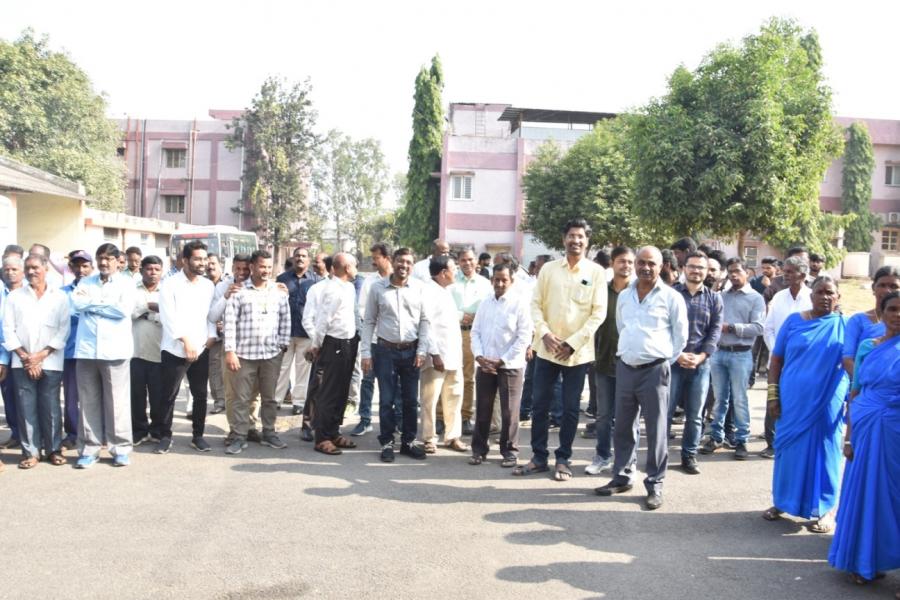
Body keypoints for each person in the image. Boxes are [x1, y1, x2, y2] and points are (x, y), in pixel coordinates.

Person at [513, 218, 606, 482]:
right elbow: (535, 305)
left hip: (577, 354)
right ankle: (539, 457)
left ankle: (563, 458)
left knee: (570, 409)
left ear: (587, 241)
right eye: (571, 236)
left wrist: (573, 343)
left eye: (580, 236)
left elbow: (598, 313)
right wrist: (544, 333)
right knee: (540, 405)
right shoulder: (549, 269)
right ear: (564, 239)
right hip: (547, 349)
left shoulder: (596, 272)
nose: (575, 240)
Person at [595, 246, 688, 510]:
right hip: (626, 367)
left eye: (651, 263)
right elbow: (622, 326)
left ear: (661, 267)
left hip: (655, 370)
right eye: (641, 263)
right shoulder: (625, 296)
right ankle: (622, 476)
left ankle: (655, 483)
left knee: (656, 430)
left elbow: (681, 336)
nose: (646, 268)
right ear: (635, 264)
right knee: (623, 426)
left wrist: (663, 361)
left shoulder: (671, 297)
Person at [762, 275, 847, 533]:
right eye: (820, 292)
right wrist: (773, 394)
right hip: (792, 399)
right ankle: (783, 501)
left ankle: (827, 509)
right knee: (789, 451)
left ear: (838, 297)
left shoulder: (844, 325)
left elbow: (855, 361)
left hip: (827, 400)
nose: (825, 297)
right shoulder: (793, 321)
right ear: (811, 296)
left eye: (830, 292)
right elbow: (776, 360)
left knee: (826, 452)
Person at [828, 291, 900, 587]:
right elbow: (855, 391)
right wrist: (848, 438)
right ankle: (865, 561)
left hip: (895, 429)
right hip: (866, 428)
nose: (897, 315)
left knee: (894, 497)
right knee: (868, 494)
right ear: (881, 313)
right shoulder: (868, 346)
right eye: (892, 309)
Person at [361, 247, 430, 462]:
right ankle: (387, 442)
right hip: (385, 351)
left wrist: (422, 350)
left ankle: (408, 441)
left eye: (408, 262)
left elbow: (425, 321)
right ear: (393, 261)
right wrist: (366, 352)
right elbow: (369, 321)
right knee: (386, 400)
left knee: (410, 400)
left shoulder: (419, 288)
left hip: (411, 352)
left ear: (413, 265)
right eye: (401, 261)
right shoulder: (378, 288)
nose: (404, 266)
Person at [2, 253, 70, 468]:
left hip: (51, 360)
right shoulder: (15, 297)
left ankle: (53, 450)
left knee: (51, 407)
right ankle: (30, 452)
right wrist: (26, 358)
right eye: (28, 268)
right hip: (21, 362)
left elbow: (63, 330)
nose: (31, 272)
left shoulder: (59, 297)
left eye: (35, 267)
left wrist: (40, 356)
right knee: (26, 408)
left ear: (45, 269)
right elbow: (8, 330)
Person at [71, 244, 136, 468]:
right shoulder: (86, 282)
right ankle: (89, 449)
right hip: (87, 351)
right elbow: (76, 303)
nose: (104, 262)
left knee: (117, 403)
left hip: (115, 351)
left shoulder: (127, 283)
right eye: (100, 258)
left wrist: (91, 306)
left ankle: (120, 449)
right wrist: (105, 305)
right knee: (88, 402)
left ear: (118, 260)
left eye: (109, 258)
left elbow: (122, 311)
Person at [223, 250, 291, 455]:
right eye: (262, 266)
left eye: (269, 267)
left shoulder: (279, 292)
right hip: (244, 355)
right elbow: (230, 323)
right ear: (252, 267)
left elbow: (285, 320)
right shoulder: (239, 292)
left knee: (270, 398)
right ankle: (239, 436)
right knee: (241, 398)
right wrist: (230, 351)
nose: (266, 271)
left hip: (271, 355)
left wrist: (282, 346)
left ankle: (269, 432)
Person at [469, 262, 533, 467]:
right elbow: (475, 332)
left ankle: (510, 451)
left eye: (504, 280)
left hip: (510, 365)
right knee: (483, 410)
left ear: (511, 281)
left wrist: (503, 360)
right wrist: (479, 356)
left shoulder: (519, 303)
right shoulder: (485, 303)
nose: (500, 283)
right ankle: (479, 450)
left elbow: (524, 337)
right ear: (491, 280)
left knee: (510, 412)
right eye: (496, 279)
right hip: (486, 364)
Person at [156, 240, 217, 454]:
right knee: (169, 394)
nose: (202, 263)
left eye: (204, 259)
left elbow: (210, 315)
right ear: (185, 260)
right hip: (174, 348)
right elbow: (168, 317)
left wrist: (211, 335)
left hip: (201, 347)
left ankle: (198, 436)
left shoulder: (208, 285)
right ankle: (165, 436)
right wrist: (185, 341)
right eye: (197, 259)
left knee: (200, 395)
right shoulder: (170, 284)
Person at [701, 257, 765, 459]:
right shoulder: (721, 296)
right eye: (730, 272)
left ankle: (742, 440)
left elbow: (758, 328)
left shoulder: (755, 298)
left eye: (738, 271)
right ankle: (716, 437)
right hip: (719, 352)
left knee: (739, 398)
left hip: (741, 353)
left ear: (747, 272)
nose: (734, 275)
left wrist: (731, 328)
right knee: (720, 398)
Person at [667, 251, 722, 475]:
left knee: (695, 414)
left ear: (707, 271)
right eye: (692, 266)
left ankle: (689, 456)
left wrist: (701, 357)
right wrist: (677, 354)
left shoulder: (714, 298)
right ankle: (658, 454)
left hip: (700, 364)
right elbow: (663, 327)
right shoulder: (671, 294)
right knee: (665, 411)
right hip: (673, 362)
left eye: (701, 267)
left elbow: (715, 331)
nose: (696, 271)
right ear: (684, 268)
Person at [584, 246, 635, 474]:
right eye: (622, 261)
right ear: (612, 263)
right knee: (603, 415)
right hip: (603, 362)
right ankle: (602, 456)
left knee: (628, 418)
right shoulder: (601, 291)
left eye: (630, 262)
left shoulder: (638, 292)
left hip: (631, 364)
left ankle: (627, 461)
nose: (626, 266)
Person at [303, 253, 359, 456]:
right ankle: (322, 438)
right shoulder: (332, 290)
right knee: (328, 393)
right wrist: (317, 344)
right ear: (346, 267)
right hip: (332, 343)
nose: (356, 268)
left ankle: (334, 432)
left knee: (342, 391)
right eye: (354, 265)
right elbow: (323, 320)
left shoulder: (349, 287)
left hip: (348, 343)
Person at [760, 256, 812, 458]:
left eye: (790, 272)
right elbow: (768, 329)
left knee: (797, 400)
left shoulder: (812, 298)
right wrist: (777, 353)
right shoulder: (779, 297)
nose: (785, 275)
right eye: (785, 271)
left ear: (803, 275)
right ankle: (771, 444)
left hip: (803, 362)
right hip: (777, 361)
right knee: (774, 399)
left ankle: (795, 441)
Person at [420, 255, 468, 454]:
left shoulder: (446, 291)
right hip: (436, 358)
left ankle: (452, 436)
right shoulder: (428, 291)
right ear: (443, 273)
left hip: (453, 355)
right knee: (430, 400)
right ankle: (429, 438)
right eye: (453, 269)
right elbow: (427, 325)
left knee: (454, 398)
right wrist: (435, 354)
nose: (456, 272)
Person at [208, 254, 259, 439]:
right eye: (238, 268)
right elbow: (213, 316)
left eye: (246, 269)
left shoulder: (258, 285)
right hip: (229, 345)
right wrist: (226, 296)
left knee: (253, 391)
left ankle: (250, 426)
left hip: (252, 345)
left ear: (251, 268)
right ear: (232, 268)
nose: (242, 273)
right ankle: (234, 429)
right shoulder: (222, 286)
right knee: (232, 391)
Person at [350, 243, 396, 436]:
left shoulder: (401, 280)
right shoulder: (370, 282)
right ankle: (365, 419)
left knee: (395, 382)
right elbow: (362, 310)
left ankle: (397, 421)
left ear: (387, 258)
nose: (373, 261)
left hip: (394, 341)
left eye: (377, 257)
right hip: (374, 339)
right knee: (367, 380)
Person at [275, 247, 322, 416]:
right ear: (293, 258)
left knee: (303, 369)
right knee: (282, 367)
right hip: (285, 332)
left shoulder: (316, 281)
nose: (300, 258)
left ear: (308, 260)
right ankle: (276, 400)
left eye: (303, 256)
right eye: (297, 256)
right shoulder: (282, 279)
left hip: (306, 332)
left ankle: (299, 402)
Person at [452, 248, 493, 435]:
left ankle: (465, 417)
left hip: (472, 334)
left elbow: (489, 308)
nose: (467, 263)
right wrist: (461, 315)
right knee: (448, 374)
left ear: (476, 261)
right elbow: (443, 305)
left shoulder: (485, 284)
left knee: (468, 377)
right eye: (463, 260)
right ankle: (441, 417)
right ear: (458, 262)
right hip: (452, 332)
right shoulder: (451, 281)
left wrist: (475, 316)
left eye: (470, 259)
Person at [60, 250, 93, 449]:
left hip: (94, 352)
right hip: (70, 352)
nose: (81, 269)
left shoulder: (98, 289)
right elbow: (63, 317)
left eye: (85, 266)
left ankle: (97, 433)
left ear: (91, 267)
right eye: (77, 265)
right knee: (71, 397)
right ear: (71, 268)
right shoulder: (62, 293)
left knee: (94, 396)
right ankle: (73, 434)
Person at [841, 266, 900, 378]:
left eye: (894, 286)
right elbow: (848, 359)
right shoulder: (858, 321)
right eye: (882, 285)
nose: (887, 290)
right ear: (873, 288)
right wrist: (865, 382)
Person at [130, 256, 164, 446]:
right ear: (142, 270)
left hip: (159, 352)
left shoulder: (165, 291)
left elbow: (167, 317)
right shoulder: (132, 290)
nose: (153, 273)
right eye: (149, 269)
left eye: (157, 269)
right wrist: (148, 307)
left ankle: (157, 430)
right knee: (136, 396)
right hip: (135, 351)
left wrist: (146, 315)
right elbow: (128, 313)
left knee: (158, 396)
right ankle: (139, 430)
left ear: (161, 271)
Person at [0, 255, 25, 449]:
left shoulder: (30, 293)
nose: (10, 273)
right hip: (4, 356)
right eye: (6, 269)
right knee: (9, 398)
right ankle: (16, 434)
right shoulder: (1, 294)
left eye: (14, 269)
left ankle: (34, 438)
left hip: (27, 355)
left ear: (22, 271)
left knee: (28, 399)